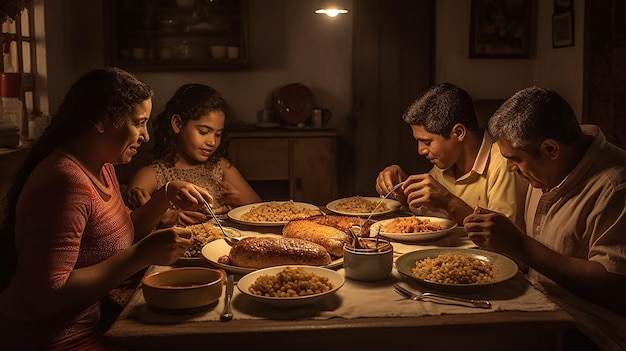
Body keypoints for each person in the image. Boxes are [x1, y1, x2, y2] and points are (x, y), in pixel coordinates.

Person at [0, 68, 214, 350]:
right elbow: (47, 300)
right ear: (102, 120)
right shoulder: (65, 181)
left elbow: (124, 233)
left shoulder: (102, 165)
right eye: (139, 123)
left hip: (95, 323)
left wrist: (165, 195)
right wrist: (141, 254)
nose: (145, 136)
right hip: (55, 339)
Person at [463, 86, 626, 350]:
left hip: (592, 330)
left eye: (515, 159)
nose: (509, 168)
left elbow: (616, 289)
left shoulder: (614, 187)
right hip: (536, 305)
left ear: (550, 149)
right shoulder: (547, 170)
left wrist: (521, 246)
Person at [375, 82, 527, 226]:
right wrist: (400, 189)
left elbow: (502, 238)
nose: (420, 150)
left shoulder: (504, 165)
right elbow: (423, 215)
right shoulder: (446, 164)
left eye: (427, 142)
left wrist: (448, 202)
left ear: (459, 132)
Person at [124, 83, 261, 227]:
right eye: (203, 132)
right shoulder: (153, 174)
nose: (212, 141)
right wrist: (165, 217)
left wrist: (239, 202)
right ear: (177, 124)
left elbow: (260, 209)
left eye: (218, 134)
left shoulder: (220, 166)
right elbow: (130, 226)